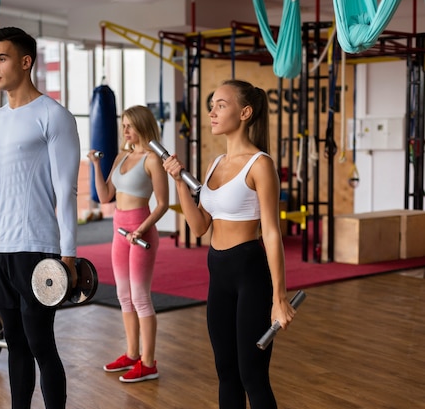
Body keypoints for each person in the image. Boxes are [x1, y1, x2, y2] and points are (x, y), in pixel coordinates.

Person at [0, 27, 80, 409]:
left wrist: (68, 256)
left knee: (41, 344)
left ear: (26, 62)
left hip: (37, 248)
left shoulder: (54, 116)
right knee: (16, 346)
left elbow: (67, 189)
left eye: (1, 58)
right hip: (0, 249)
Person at [162, 79, 296, 408]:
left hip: (249, 271)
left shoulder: (260, 165)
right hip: (218, 271)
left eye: (221, 105)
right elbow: (199, 226)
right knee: (226, 373)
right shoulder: (214, 164)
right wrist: (179, 183)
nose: (212, 112)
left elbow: (272, 232)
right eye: (212, 105)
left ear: (245, 112)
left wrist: (279, 298)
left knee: (253, 375)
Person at [87, 105, 169, 383]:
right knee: (123, 296)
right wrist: (96, 165)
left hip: (140, 229)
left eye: (129, 126)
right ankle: (132, 354)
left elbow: (163, 204)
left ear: (142, 127)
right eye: (123, 125)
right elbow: (106, 195)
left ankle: (149, 362)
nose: (124, 131)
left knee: (140, 297)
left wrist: (141, 230)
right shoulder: (122, 155)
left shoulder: (152, 159)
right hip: (118, 229)